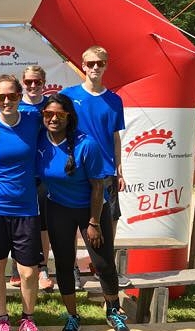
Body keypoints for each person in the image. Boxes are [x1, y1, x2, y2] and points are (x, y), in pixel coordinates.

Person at [37, 93, 129, 331]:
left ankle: (113, 310)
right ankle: (72, 316)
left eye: (60, 114)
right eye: (48, 114)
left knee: (103, 262)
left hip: (92, 209)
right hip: (58, 208)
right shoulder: (40, 141)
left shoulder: (86, 144)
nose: (53, 118)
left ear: (69, 117)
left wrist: (94, 222)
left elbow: (98, 186)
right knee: (64, 264)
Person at [0, 74, 42, 331]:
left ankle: (28, 317)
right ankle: (3, 318)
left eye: (12, 96)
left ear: (19, 97)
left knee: (28, 272)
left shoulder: (33, 120)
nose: (7, 101)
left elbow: (60, 116)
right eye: (1, 97)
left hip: (27, 208)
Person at [60, 46, 129, 288]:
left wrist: (119, 168)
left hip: (106, 173)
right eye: (91, 63)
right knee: (72, 226)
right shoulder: (68, 96)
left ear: (106, 65)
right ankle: (71, 269)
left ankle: (103, 269)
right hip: (76, 172)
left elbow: (115, 136)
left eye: (100, 63)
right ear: (83, 65)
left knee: (107, 223)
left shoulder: (114, 100)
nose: (95, 67)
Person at [11, 65, 55, 292]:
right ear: (23, 82)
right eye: (28, 82)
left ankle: (43, 267)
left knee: (43, 225)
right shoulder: (15, 106)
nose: (33, 86)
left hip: (44, 172)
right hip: (19, 174)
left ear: (44, 82)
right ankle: (16, 267)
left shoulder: (50, 106)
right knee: (16, 221)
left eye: (37, 82)